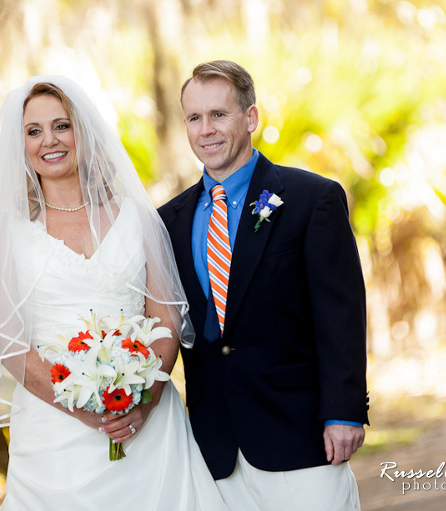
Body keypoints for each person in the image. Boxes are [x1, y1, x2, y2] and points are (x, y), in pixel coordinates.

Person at [0, 75, 228, 510]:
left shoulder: (135, 217)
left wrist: (145, 400)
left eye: (61, 125)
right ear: (21, 144)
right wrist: (83, 408)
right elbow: (7, 342)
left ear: (82, 132)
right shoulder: (10, 234)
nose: (49, 140)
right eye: (34, 131)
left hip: (149, 427)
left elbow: (166, 319)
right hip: (54, 440)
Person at [158, 60, 370, 510]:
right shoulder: (168, 222)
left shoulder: (311, 200)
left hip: (302, 435)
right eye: (195, 118)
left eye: (219, 115)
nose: (206, 130)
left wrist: (344, 411)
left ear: (250, 118)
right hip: (215, 447)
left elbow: (341, 314)